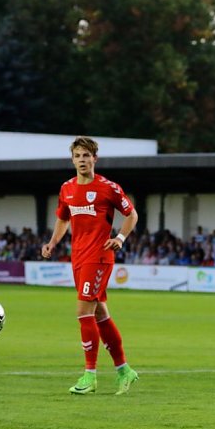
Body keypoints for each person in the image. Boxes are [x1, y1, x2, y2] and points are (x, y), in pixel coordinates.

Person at [41, 136, 140, 395]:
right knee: (100, 315)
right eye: (78, 156)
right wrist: (52, 243)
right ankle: (124, 370)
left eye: (86, 155)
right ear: (72, 159)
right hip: (78, 257)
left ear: (94, 158)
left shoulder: (108, 188)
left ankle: (90, 375)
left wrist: (119, 238)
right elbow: (63, 219)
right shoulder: (67, 189)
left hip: (99, 256)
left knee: (83, 311)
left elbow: (131, 214)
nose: (82, 160)